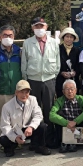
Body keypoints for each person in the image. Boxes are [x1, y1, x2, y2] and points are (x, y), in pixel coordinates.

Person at [21, 17, 60, 148]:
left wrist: (52, 77)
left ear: (46, 27)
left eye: (41, 26)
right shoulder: (27, 43)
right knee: (33, 110)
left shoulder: (53, 42)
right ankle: (35, 141)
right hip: (33, 80)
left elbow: (57, 62)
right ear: (32, 28)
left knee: (49, 110)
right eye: (36, 26)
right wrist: (26, 80)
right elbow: (24, 63)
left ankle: (49, 139)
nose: (39, 29)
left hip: (49, 80)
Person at [0, 80, 51, 157]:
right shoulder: (7, 106)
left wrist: (31, 127)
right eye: (21, 92)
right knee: (3, 139)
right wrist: (15, 137)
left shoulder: (33, 99)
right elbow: (5, 126)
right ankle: (9, 148)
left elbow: (38, 115)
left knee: (43, 127)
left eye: (26, 92)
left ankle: (39, 146)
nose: (24, 95)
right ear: (16, 92)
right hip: (15, 131)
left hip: (28, 130)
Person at [0, 24, 22, 127]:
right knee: (2, 117)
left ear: (14, 37)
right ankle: (2, 136)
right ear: (0, 37)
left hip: (17, 91)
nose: (8, 37)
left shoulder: (20, 52)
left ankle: (17, 136)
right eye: (5, 35)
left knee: (18, 117)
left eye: (10, 35)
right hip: (1, 91)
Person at [50, 79, 83, 153]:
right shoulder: (59, 100)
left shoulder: (81, 99)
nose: (70, 91)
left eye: (72, 89)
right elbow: (52, 115)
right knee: (58, 116)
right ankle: (65, 142)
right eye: (67, 89)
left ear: (76, 90)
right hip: (65, 126)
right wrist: (67, 123)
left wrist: (75, 122)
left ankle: (73, 142)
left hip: (78, 126)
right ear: (63, 91)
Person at [56, 27, 81, 97]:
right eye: (67, 36)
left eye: (71, 37)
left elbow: (79, 65)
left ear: (74, 39)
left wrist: (75, 72)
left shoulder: (77, 50)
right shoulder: (57, 49)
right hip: (60, 81)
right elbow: (54, 64)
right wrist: (61, 73)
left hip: (74, 80)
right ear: (63, 38)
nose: (69, 39)